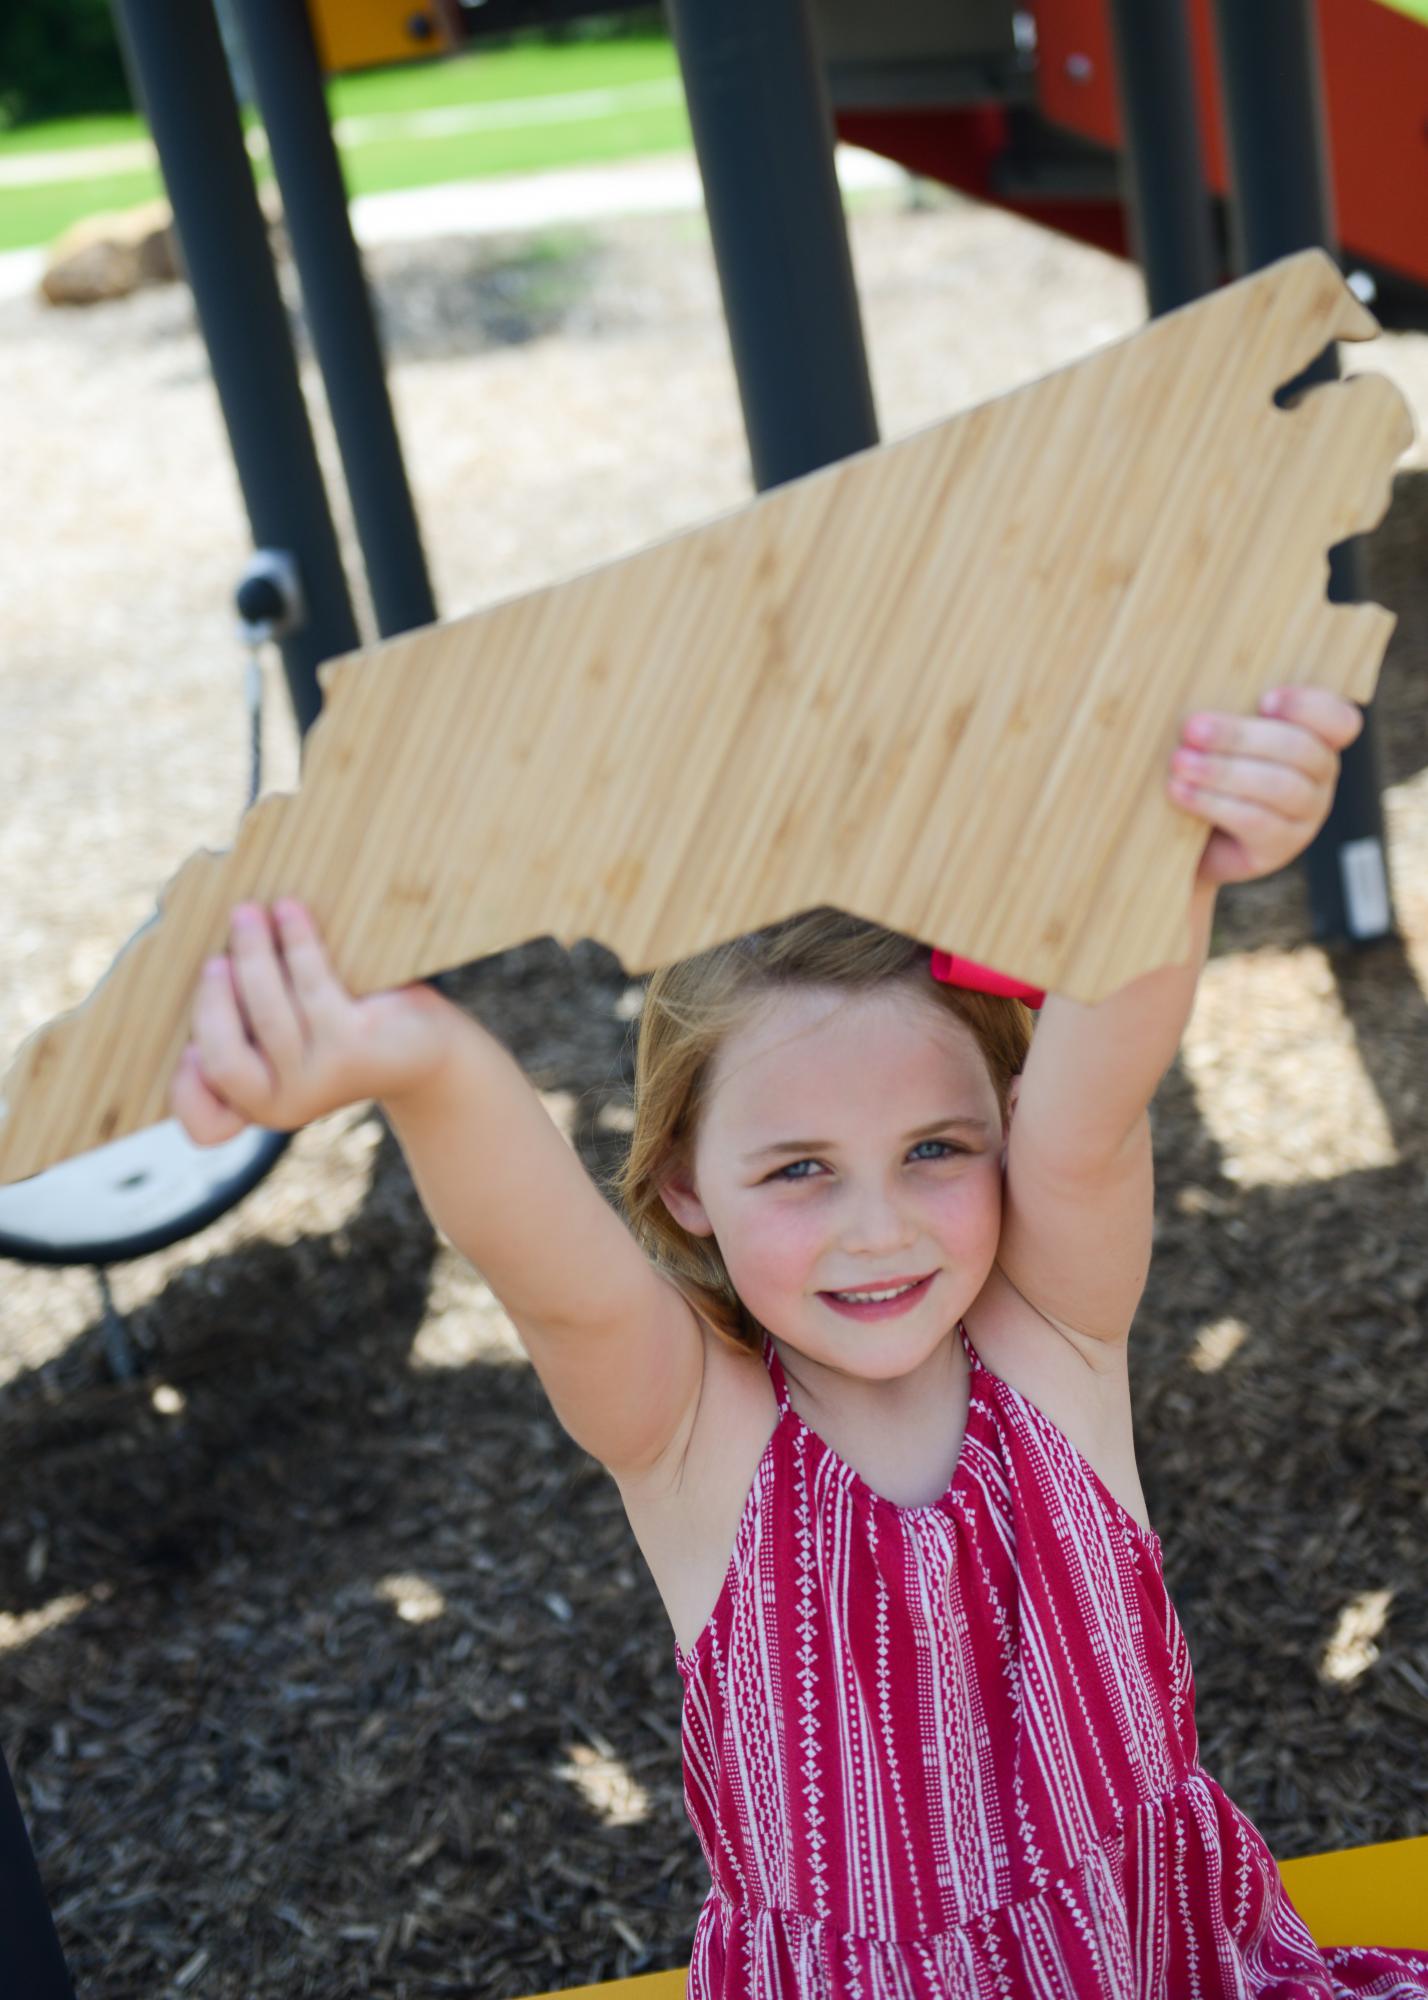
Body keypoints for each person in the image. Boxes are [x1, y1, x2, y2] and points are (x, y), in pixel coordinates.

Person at [169, 685, 1428, 1997]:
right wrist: (420, 1062)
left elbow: (1093, 1110)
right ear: (685, 1190)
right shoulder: (693, 1439)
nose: (876, 1228)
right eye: (798, 1171)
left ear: (1005, 1131)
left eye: (933, 1150)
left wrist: (1184, 863)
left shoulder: (1055, 1336)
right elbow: (557, 1278)